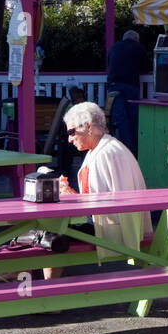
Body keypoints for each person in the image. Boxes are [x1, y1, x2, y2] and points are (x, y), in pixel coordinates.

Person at [52, 101, 148, 277]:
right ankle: (47, 290)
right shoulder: (109, 147)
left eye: (72, 132)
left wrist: (69, 196)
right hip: (127, 224)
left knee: (50, 232)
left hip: (112, 230)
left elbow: (93, 211)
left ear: (87, 127)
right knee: (50, 231)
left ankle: (45, 290)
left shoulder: (102, 155)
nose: (69, 139)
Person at [106, 30, 148, 155]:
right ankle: (133, 151)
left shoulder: (115, 47)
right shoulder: (138, 48)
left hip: (114, 87)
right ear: (137, 39)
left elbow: (110, 63)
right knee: (133, 119)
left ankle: (125, 150)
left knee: (120, 120)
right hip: (131, 86)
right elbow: (146, 67)